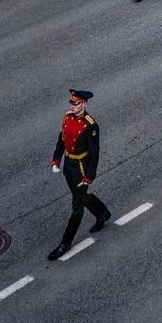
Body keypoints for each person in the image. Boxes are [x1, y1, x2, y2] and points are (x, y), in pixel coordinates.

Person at [48, 88, 111, 261]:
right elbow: (62, 138)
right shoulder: (67, 117)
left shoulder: (90, 125)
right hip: (69, 166)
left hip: (81, 168)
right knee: (80, 196)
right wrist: (56, 159)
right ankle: (102, 213)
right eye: (72, 103)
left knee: (77, 206)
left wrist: (90, 175)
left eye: (75, 104)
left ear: (83, 104)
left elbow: (95, 152)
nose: (73, 107)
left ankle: (65, 243)